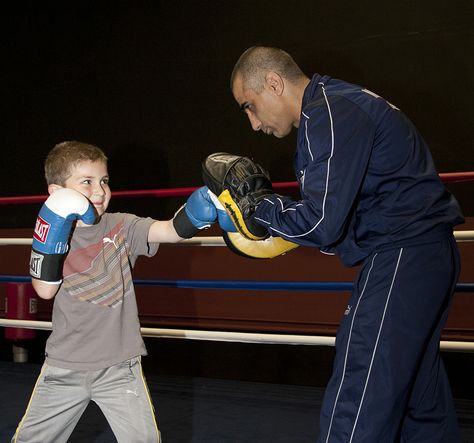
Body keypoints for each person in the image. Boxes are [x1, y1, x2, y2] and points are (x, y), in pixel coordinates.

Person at [228, 46, 465, 442]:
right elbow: (339, 223)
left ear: (273, 83)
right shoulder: (338, 105)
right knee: (418, 403)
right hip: (422, 253)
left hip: (403, 255)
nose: (253, 123)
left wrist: (259, 207)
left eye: (250, 106)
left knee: (359, 397)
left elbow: (321, 222)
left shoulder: (329, 112)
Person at [12, 141, 219, 443]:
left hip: (119, 367)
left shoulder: (121, 225)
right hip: (64, 366)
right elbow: (44, 291)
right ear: (57, 192)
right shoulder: (51, 231)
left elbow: (169, 231)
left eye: (104, 181)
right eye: (87, 182)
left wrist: (200, 209)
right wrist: (54, 226)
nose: (99, 191)